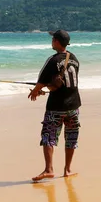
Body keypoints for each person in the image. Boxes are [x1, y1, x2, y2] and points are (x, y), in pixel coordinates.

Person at [28, 29, 81, 182]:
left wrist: (36, 91)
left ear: (57, 41)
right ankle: (68, 170)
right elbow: (65, 81)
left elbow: (42, 81)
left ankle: (49, 169)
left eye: (53, 39)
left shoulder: (52, 60)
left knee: (49, 136)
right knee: (71, 136)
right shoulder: (74, 59)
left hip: (56, 106)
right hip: (74, 105)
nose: (51, 41)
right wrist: (44, 88)